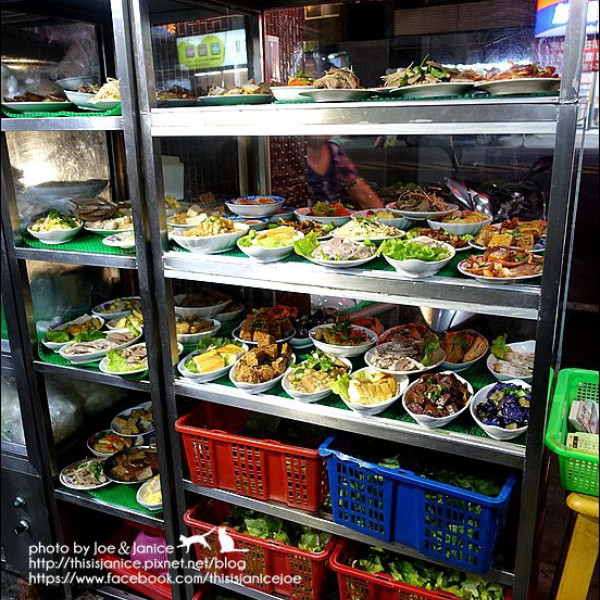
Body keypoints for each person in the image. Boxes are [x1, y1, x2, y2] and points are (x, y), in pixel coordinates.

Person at [305, 136, 384, 210]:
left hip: (334, 215)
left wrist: (382, 214)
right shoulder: (298, 152)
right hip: (302, 216)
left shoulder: (334, 150)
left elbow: (358, 188)